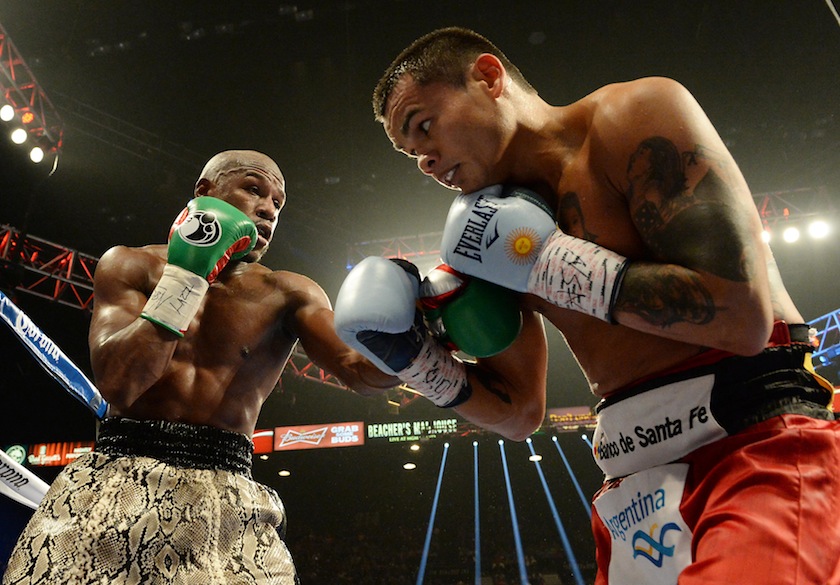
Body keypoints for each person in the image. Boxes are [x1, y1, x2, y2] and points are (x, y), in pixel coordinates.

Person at [333, 27, 840, 584]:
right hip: (634, 492)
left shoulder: (632, 116)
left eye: (424, 127)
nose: (425, 161)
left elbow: (741, 317)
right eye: (411, 154)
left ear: (488, 76)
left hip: (752, 441)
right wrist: (421, 367)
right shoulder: (482, 237)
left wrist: (549, 264)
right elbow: (519, 413)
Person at [2, 150, 397, 584]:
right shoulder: (130, 264)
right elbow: (121, 383)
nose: (267, 208)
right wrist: (187, 277)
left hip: (227, 495)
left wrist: (416, 342)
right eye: (253, 189)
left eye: (278, 203)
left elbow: (362, 375)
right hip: (119, 476)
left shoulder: (290, 293)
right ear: (205, 192)